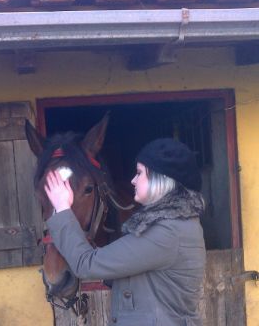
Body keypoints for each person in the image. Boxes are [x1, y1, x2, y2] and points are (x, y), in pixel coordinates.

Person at [45, 138, 206, 326]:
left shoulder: (166, 232)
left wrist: (62, 209)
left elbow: (86, 265)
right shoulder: (175, 225)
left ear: (160, 179)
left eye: (139, 173)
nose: (133, 180)